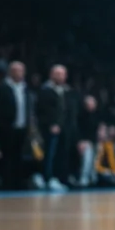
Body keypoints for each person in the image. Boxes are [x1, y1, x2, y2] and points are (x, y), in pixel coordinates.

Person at [0, 61, 30, 190]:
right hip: (5, 128)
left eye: (22, 71)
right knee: (7, 157)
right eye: (17, 70)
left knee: (19, 156)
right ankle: (6, 183)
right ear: (10, 72)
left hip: (22, 127)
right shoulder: (1, 87)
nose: (20, 73)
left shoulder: (25, 88)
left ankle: (18, 183)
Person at [36, 64, 70, 192]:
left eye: (63, 74)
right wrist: (51, 124)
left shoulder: (66, 91)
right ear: (51, 75)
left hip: (63, 128)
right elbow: (42, 111)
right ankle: (48, 178)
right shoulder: (45, 90)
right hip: (49, 128)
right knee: (49, 154)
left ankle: (59, 178)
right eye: (58, 73)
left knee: (61, 154)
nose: (61, 76)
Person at [76, 96, 100, 187]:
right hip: (85, 142)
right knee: (87, 159)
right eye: (89, 104)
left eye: (93, 103)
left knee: (95, 161)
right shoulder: (81, 116)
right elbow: (79, 130)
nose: (91, 105)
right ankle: (84, 178)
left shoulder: (97, 115)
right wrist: (80, 141)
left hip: (95, 141)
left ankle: (93, 178)